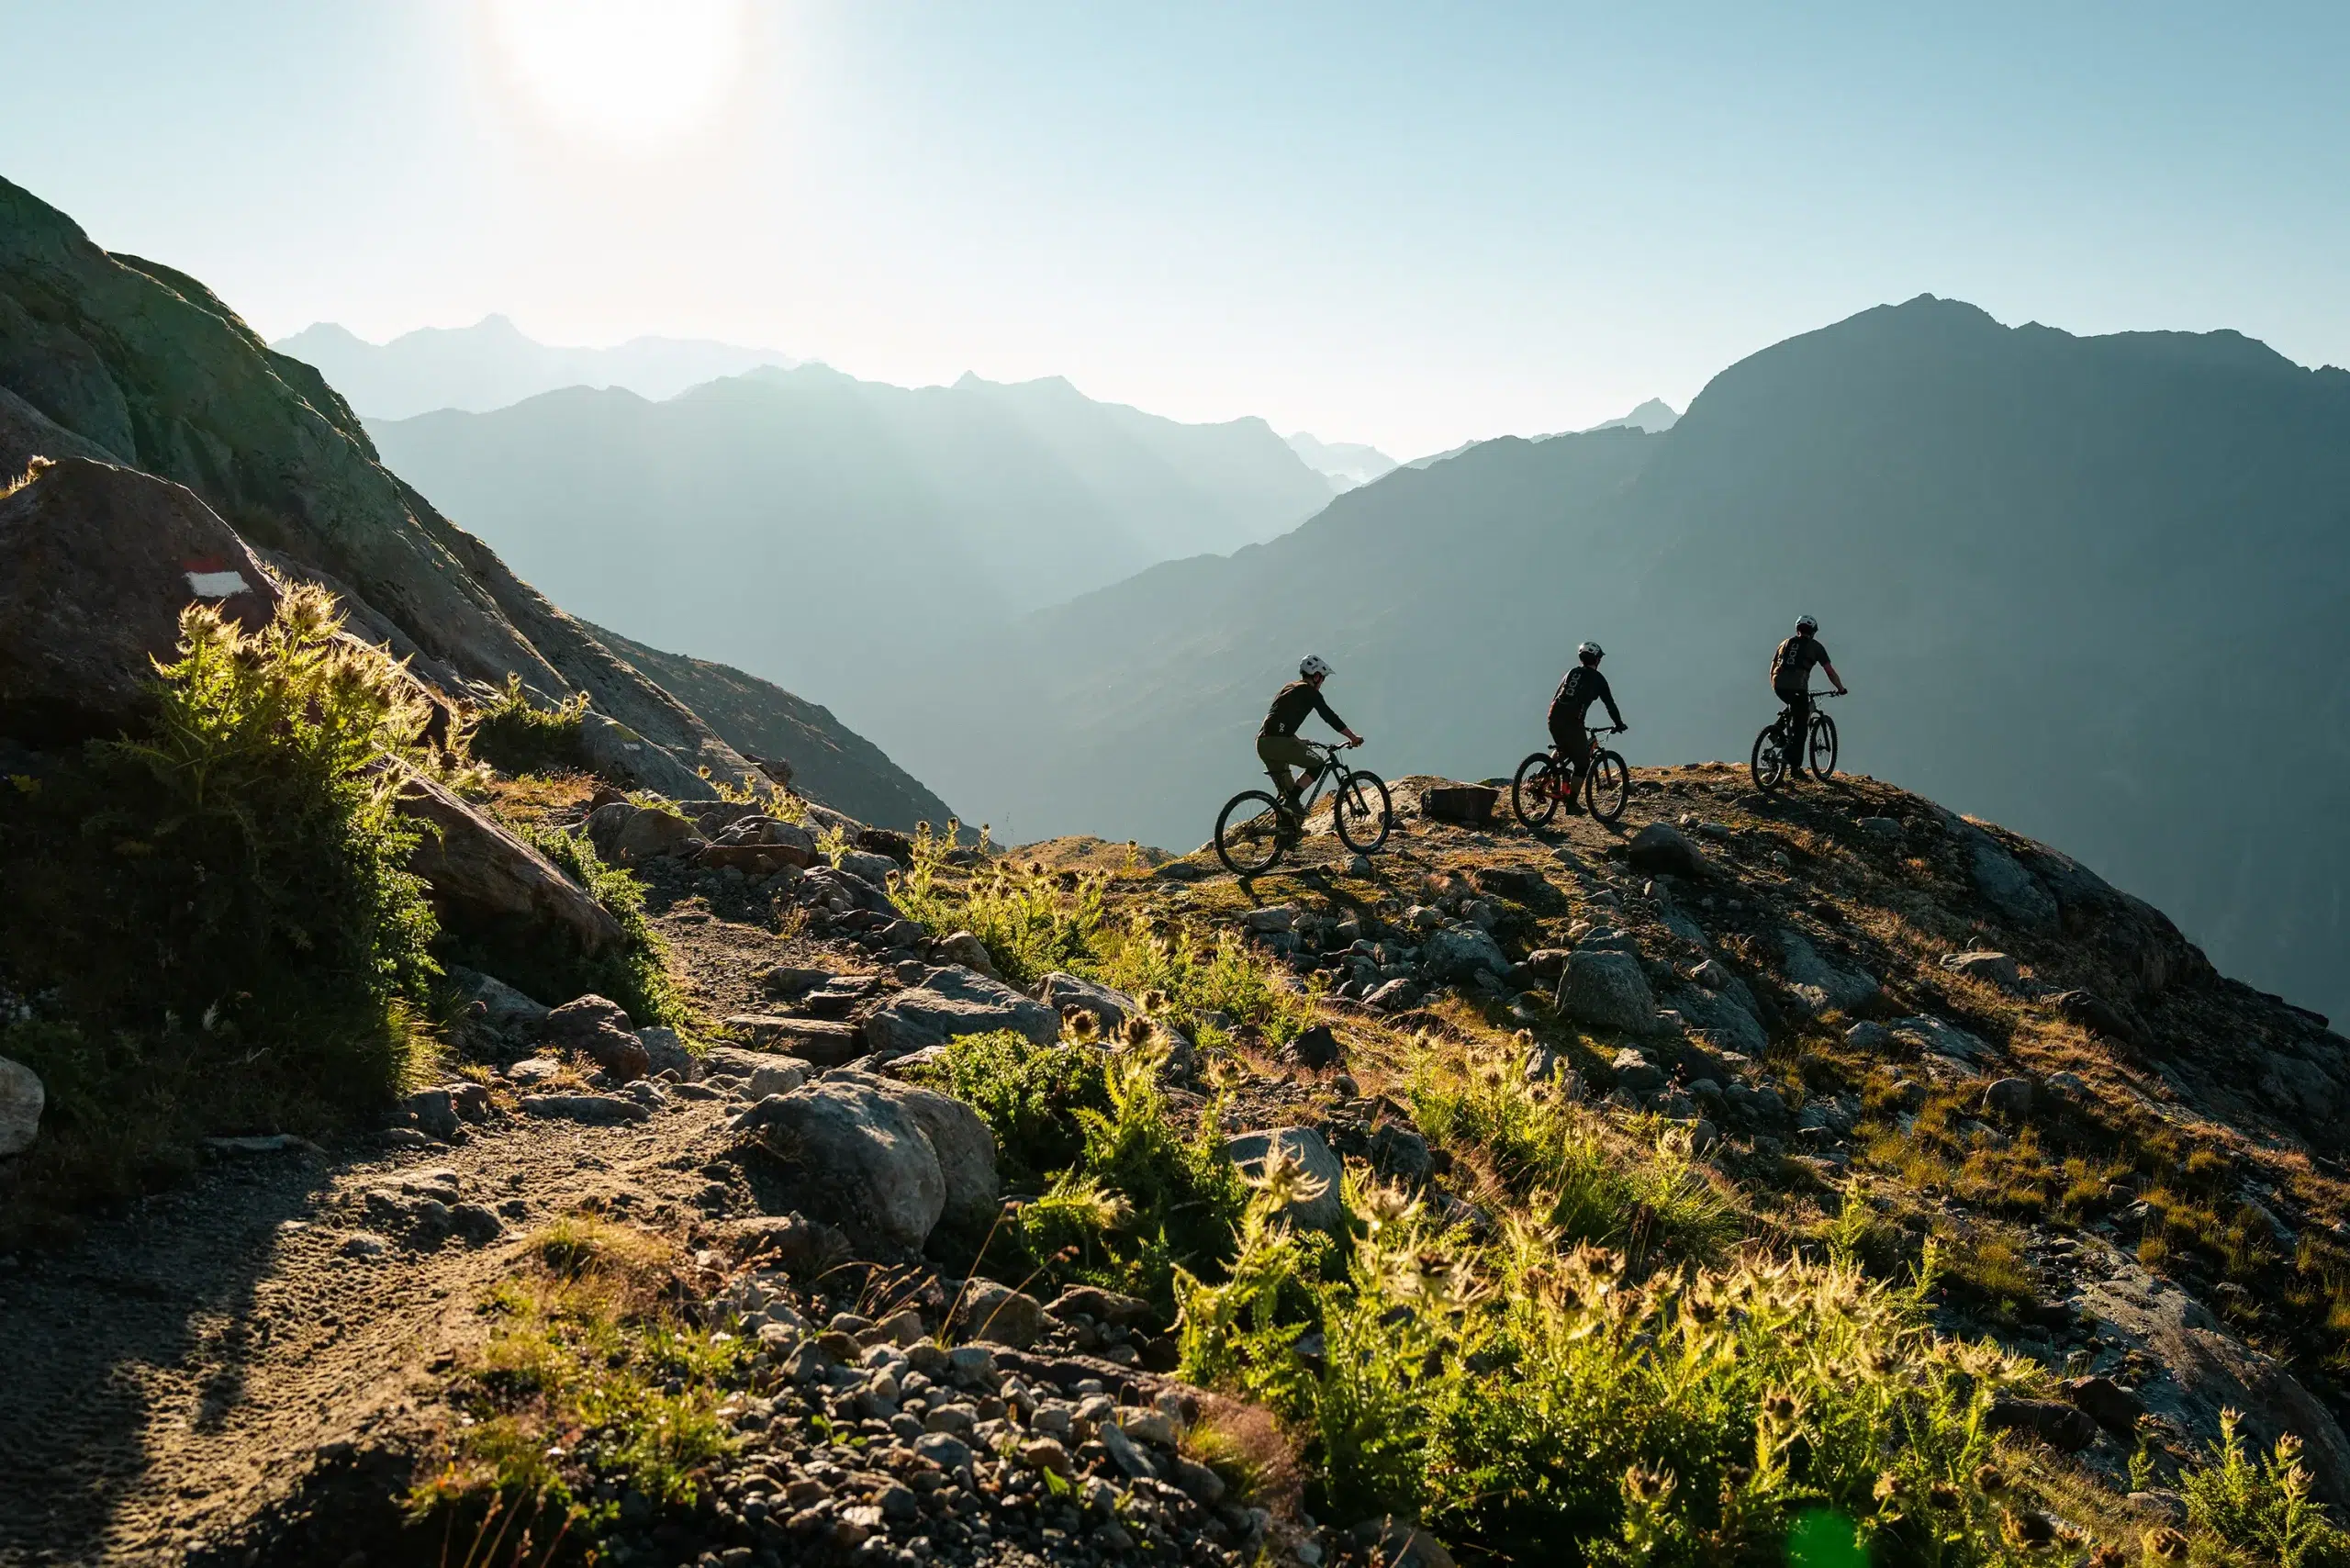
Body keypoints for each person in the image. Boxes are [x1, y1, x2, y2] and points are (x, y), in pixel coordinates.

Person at [1259, 655, 1362, 821]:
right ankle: (1292, 802)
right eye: (1322, 679)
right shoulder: (1309, 692)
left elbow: (1279, 717)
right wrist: (1352, 737)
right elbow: (1330, 717)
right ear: (1316, 676)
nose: (1322, 684)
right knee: (1318, 765)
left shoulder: (1289, 687)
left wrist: (1296, 740)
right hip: (1280, 742)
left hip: (1263, 743)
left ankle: (1285, 838)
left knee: (1288, 792)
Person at [1547, 642, 1626, 805]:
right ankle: (1572, 804)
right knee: (1583, 763)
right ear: (1597, 660)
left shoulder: (1572, 672)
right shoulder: (1598, 679)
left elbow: (1557, 695)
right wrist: (1619, 724)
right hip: (1572, 721)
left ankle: (1543, 775)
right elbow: (1610, 705)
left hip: (1553, 717)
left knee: (1565, 748)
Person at [1770, 614, 1847, 765]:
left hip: (1778, 685)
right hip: (1798, 687)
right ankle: (1795, 768)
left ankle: (1776, 729)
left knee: (1796, 706)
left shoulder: (1785, 643)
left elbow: (1773, 667)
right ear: (1813, 631)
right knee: (1801, 729)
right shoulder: (1816, 646)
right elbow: (1830, 671)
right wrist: (1840, 688)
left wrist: (1774, 683)